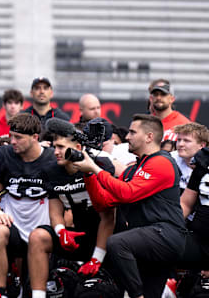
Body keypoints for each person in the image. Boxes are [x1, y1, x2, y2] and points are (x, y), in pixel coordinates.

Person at [74, 114, 186, 298]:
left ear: (149, 136)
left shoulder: (162, 162)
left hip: (165, 235)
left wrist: (96, 169)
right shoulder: (134, 169)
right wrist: (88, 173)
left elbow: (128, 192)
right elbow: (103, 202)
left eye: (133, 132)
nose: (127, 137)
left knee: (117, 242)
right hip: (146, 238)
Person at [27, 118, 116, 298]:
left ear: (77, 148)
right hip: (79, 235)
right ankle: (38, 295)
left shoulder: (99, 165)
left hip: (108, 238)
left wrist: (96, 259)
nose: (55, 151)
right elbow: (55, 212)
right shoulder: (51, 171)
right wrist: (61, 232)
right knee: (38, 236)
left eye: (60, 147)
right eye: (54, 146)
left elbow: (109, 219)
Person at [0, 113, 57, 298]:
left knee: (32, 287)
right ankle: (0, 293)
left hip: (43, 227)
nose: (12, 141)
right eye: (11, 136)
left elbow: (65, 203)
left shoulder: (53, 159)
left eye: (18, 137)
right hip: (13, 224)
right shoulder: (3, 155)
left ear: (35, 137)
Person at [179, 113, 209, 295]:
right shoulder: (205, 158)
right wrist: (170, 229)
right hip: (199, 239)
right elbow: (186, 203)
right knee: (153, 251)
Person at [171, 123, 209, 192]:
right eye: (179, 140)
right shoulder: (170, 158)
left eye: (186, 141)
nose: (180, 144)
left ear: (202, 145)